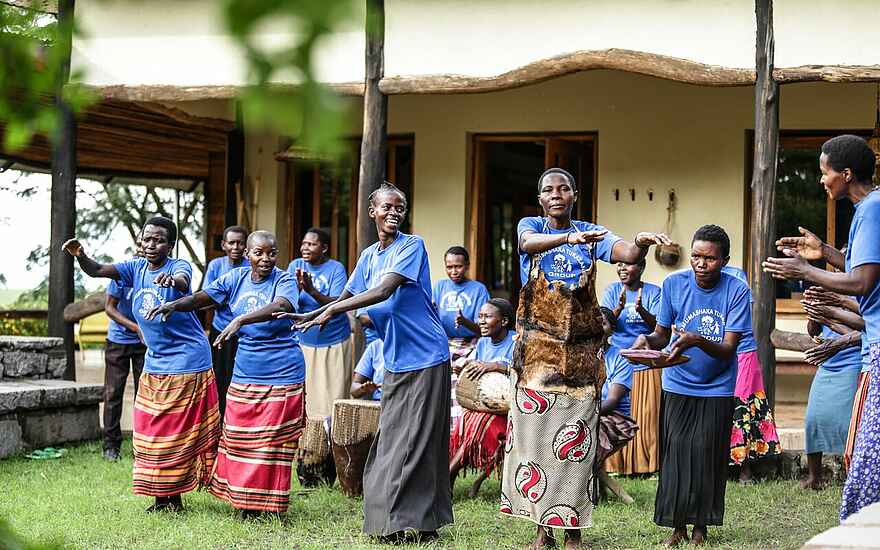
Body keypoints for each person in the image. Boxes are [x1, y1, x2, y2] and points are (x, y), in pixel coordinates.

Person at [502, 167, 669, 550]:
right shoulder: (531, 225)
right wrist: (568, 238)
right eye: (548, 190)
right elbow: (528, 244)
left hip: (580, 357)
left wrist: (640, 243)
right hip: (536, 356)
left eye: (564, 189)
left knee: (576, 446)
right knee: (536, 444)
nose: (556, 194)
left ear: (575, 194)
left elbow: (625, 252)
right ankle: (542, 532)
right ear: (541, 198)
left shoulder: (592, 232)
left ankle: (573, 532)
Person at [278, 182, 453, 543]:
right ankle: (390, 519)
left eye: (399, 208)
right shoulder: (369, 255)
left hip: (427, 356)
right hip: (395, 358)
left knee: (419, 440)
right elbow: (347, 295)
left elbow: (383, 291)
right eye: (386, 207)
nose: (393, 213)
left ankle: (421, 524)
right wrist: (319, 310)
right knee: (391, 438)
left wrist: (333, 310)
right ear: (372, 211)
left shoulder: (411, 246)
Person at [62, 216, 220, 513]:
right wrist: (80, 255)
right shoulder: (134, 268)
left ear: (170, 245)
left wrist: (173, 282)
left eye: (158, 240)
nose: (150, 245)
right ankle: (164, 497)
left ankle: (171, 499)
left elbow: (184, 283)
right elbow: (97, 270)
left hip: (187, 360)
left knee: (174, 434)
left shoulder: (178, 267)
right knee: (149, 430)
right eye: (146, 239)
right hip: (156, 361)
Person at [146, 230, 305, 518]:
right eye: (259, 253)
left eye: (271, 253)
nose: (266, 258)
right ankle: (246, 501)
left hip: (281, 371)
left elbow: (283, 306)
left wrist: (242, 318)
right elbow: (201, 298)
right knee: (240, 439)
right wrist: (173, 304)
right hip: (245, 371)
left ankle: (264, 507)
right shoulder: (235, 278)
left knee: (269, 442)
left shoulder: (284, 279)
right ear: (248, 254)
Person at [762, 135, 880, 521]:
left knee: (863, 457)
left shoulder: (872, 208)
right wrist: (826, 254)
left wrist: (804, 270)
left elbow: (863, 282)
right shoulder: (869, 208)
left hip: (875, 349)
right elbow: (863, 268)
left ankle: (862, 528)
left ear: (846, 174)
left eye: (824, 172)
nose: (821, 180)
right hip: (871, 345)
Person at [631, 224, 751, 547]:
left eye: (709, 259)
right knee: (678, 454)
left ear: (724, 260)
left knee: (705, 455)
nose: (700, 264)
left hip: (717, 386)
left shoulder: (736, 291)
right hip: (677, 382)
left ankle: (701, 527)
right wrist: (647, 341)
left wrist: (697, 340)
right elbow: (662, 334)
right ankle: (677, 527)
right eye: (696, 256)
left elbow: (728, 349)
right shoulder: (673, 284)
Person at [449, 298, 515, 498]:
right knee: (465, 421)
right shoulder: (483, 343)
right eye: (480, 317)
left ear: (503, 321)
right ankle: (447, 477)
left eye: (487, 316)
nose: (481, 322)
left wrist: (498, 366)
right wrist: (465, 368)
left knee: (477, 424)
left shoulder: (517, 342)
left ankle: (447, 476)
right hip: (485, 406)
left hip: (508, 411)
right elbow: (478, 372)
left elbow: (528, 374)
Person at [600, 260, 662, 475]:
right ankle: (617, 467)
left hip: (644, 365)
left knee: (645, 418)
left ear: (642, 268)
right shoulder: (611, 291)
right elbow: (603, 323)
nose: (622, 269)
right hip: (616, 360)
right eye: (619, 265)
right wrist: (617, 310)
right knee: (615, 411)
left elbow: (660, 329)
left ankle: (648, 467)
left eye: (629, 265)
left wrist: (642, 311)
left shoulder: (654, 292)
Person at [722, 265, 782, 483]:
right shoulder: (699, 278)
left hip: (742, 350)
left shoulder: (736, 276)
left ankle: (745, 468)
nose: (704, 262)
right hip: (714, 348)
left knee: (743, 406)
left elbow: (738, 315)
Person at [288, 227, 352, 420]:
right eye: (304, 243)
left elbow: (338, 303)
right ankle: (309, 442)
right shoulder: (296, 265)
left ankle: (333, 443)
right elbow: (288, 299)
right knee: (307, 395)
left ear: (324, 248)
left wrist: (312, 290)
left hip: (333, 340)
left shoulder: (336, 268)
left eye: (312, 244)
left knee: (334, 395)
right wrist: (299, 291)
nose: (305, 248)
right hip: (303, 340)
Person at [433, 246, 490, 431]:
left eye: (458, 266)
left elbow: (483, 329)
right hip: (444, 344)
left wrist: (465, 322)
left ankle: (458, 430)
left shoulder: (478, 289)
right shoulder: (440, 286)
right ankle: (441, 429)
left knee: (460, 389)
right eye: (449, 267)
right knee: (439, 388)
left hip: (470, 346)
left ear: (467, 266)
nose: (453, 271)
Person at [802, 316, 861, 489]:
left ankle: (856, 478)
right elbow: (813, 331)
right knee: (813, 420)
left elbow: (867, 329)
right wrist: (813, 315)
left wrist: (839, 342)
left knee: (847, 425)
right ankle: (815, 477)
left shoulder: (860, 293)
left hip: (853, 362)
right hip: (827, 363)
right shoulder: (825, 293)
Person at [101, 241, 146, 462]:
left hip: (145, 343)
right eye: (141, 245)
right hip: (119, 340)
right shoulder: (121, 273)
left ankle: (142, 445)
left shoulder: (154, 274)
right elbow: (109, 307)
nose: (144, 249)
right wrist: (135, 327)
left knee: (144, 395)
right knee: (113, 393)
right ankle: (110, 445)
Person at [203, 225, 249, 419]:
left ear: (246, 246)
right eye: (231, 242)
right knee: (220, 377)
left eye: (240, 243)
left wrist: (223, 297)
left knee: (242, 378)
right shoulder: (216, 266)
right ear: (224, 245)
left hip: (245, 333)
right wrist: (229, 298)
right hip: (220, 330)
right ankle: (219, 421)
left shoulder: (251, 265)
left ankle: (239, 420)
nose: (236, 247)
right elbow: (207, 298)